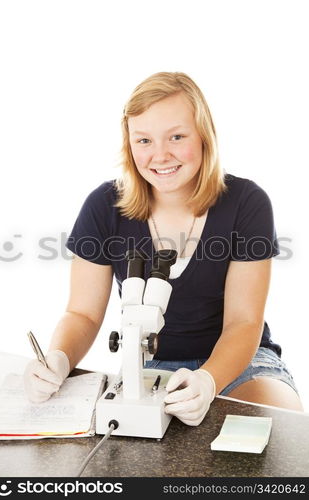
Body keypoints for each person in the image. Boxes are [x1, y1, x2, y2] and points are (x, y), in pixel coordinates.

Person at [24, 71, 303, 425]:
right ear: (129, 145)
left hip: (242, 363)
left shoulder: (247, 203)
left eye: (176, 136)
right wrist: (58, 359)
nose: (160, 155)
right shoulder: (103, 205)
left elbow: (244, 322)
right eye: (144, 141)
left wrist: (208, 380)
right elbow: (83, 314)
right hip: (151, 367)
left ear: (204, 136)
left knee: (276, 434)